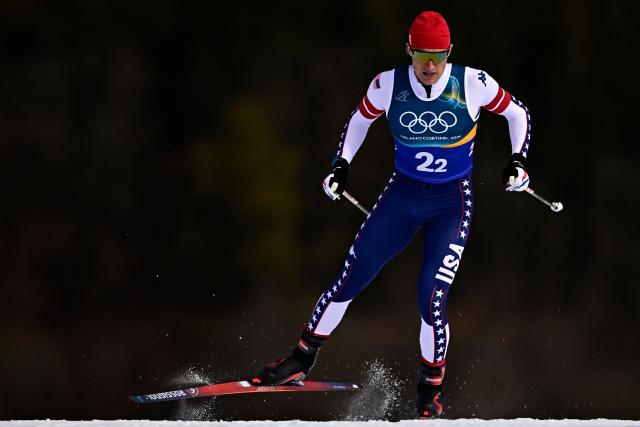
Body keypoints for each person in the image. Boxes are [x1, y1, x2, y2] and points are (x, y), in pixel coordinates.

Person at [250, 11, 531, 418]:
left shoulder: (472, 82)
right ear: (408, 51)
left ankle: (429, 391)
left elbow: (517, 113)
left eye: (437, 56)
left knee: (430, 298)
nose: (429, 66)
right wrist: (340, 164)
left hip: (450, 202)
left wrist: (518, 161)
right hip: (402, 196)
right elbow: (359, 120)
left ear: (449, 52)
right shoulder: (387, 85)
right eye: (421, 55)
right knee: (351, 276)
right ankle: (300, 359)